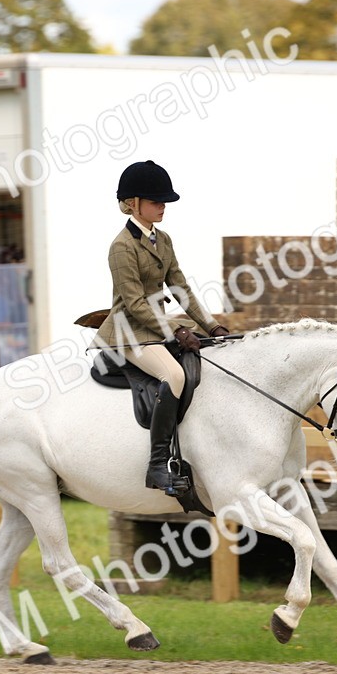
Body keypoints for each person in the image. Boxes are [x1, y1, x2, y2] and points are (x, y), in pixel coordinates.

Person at [92, 160, 229, 495]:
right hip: (130, 330)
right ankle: (157, 466)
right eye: (156, 201)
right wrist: (175, 332)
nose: (163, 207)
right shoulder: (121, 247)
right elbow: (136, 304)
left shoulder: (163, 240)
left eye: (163, 201)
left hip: (158, 325)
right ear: (133, 204)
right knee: (175, 376)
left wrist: (210, 326)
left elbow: (180, 288)